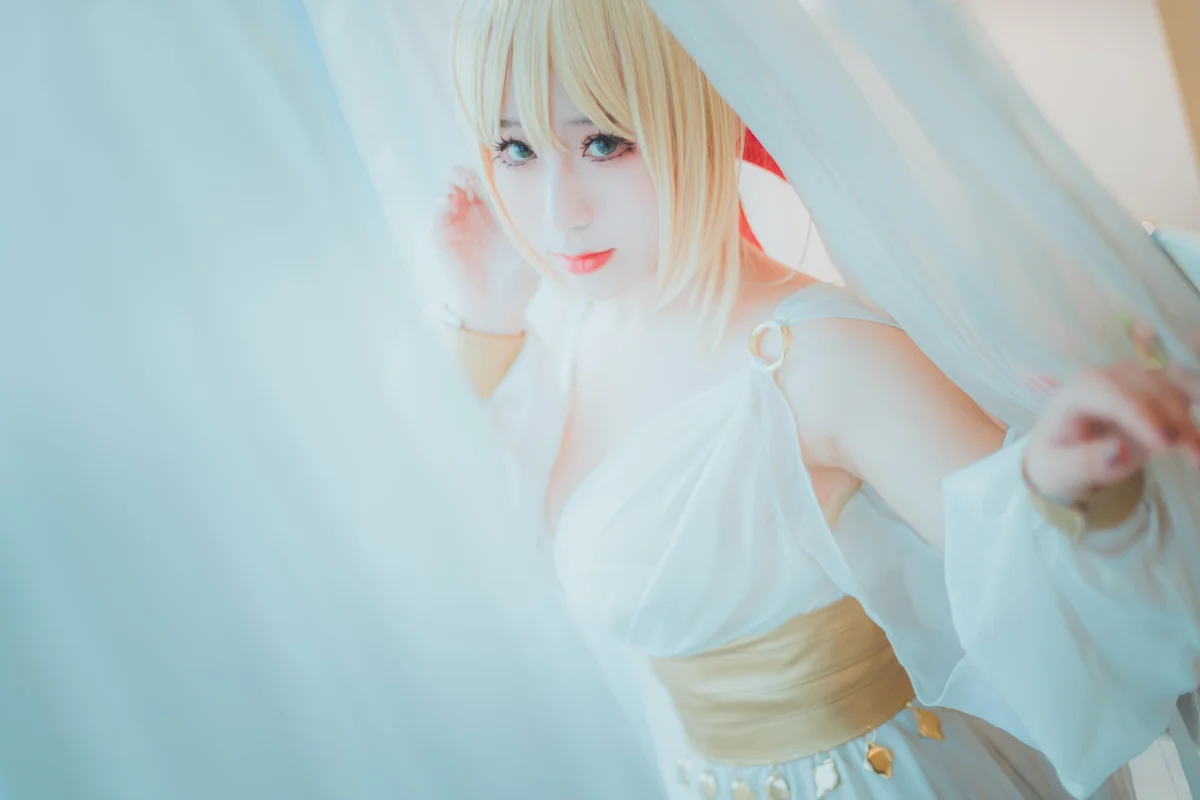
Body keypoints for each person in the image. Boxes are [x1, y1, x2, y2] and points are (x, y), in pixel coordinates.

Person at [432, 0, 1200, 798]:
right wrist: (489, 318)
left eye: (602, 142)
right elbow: (497, 556)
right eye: (516, 148)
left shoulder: (816, 358)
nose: (559, 212)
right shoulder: (583, 326)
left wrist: (1058, 486)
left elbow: (1026, 567)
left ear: (700, 109)